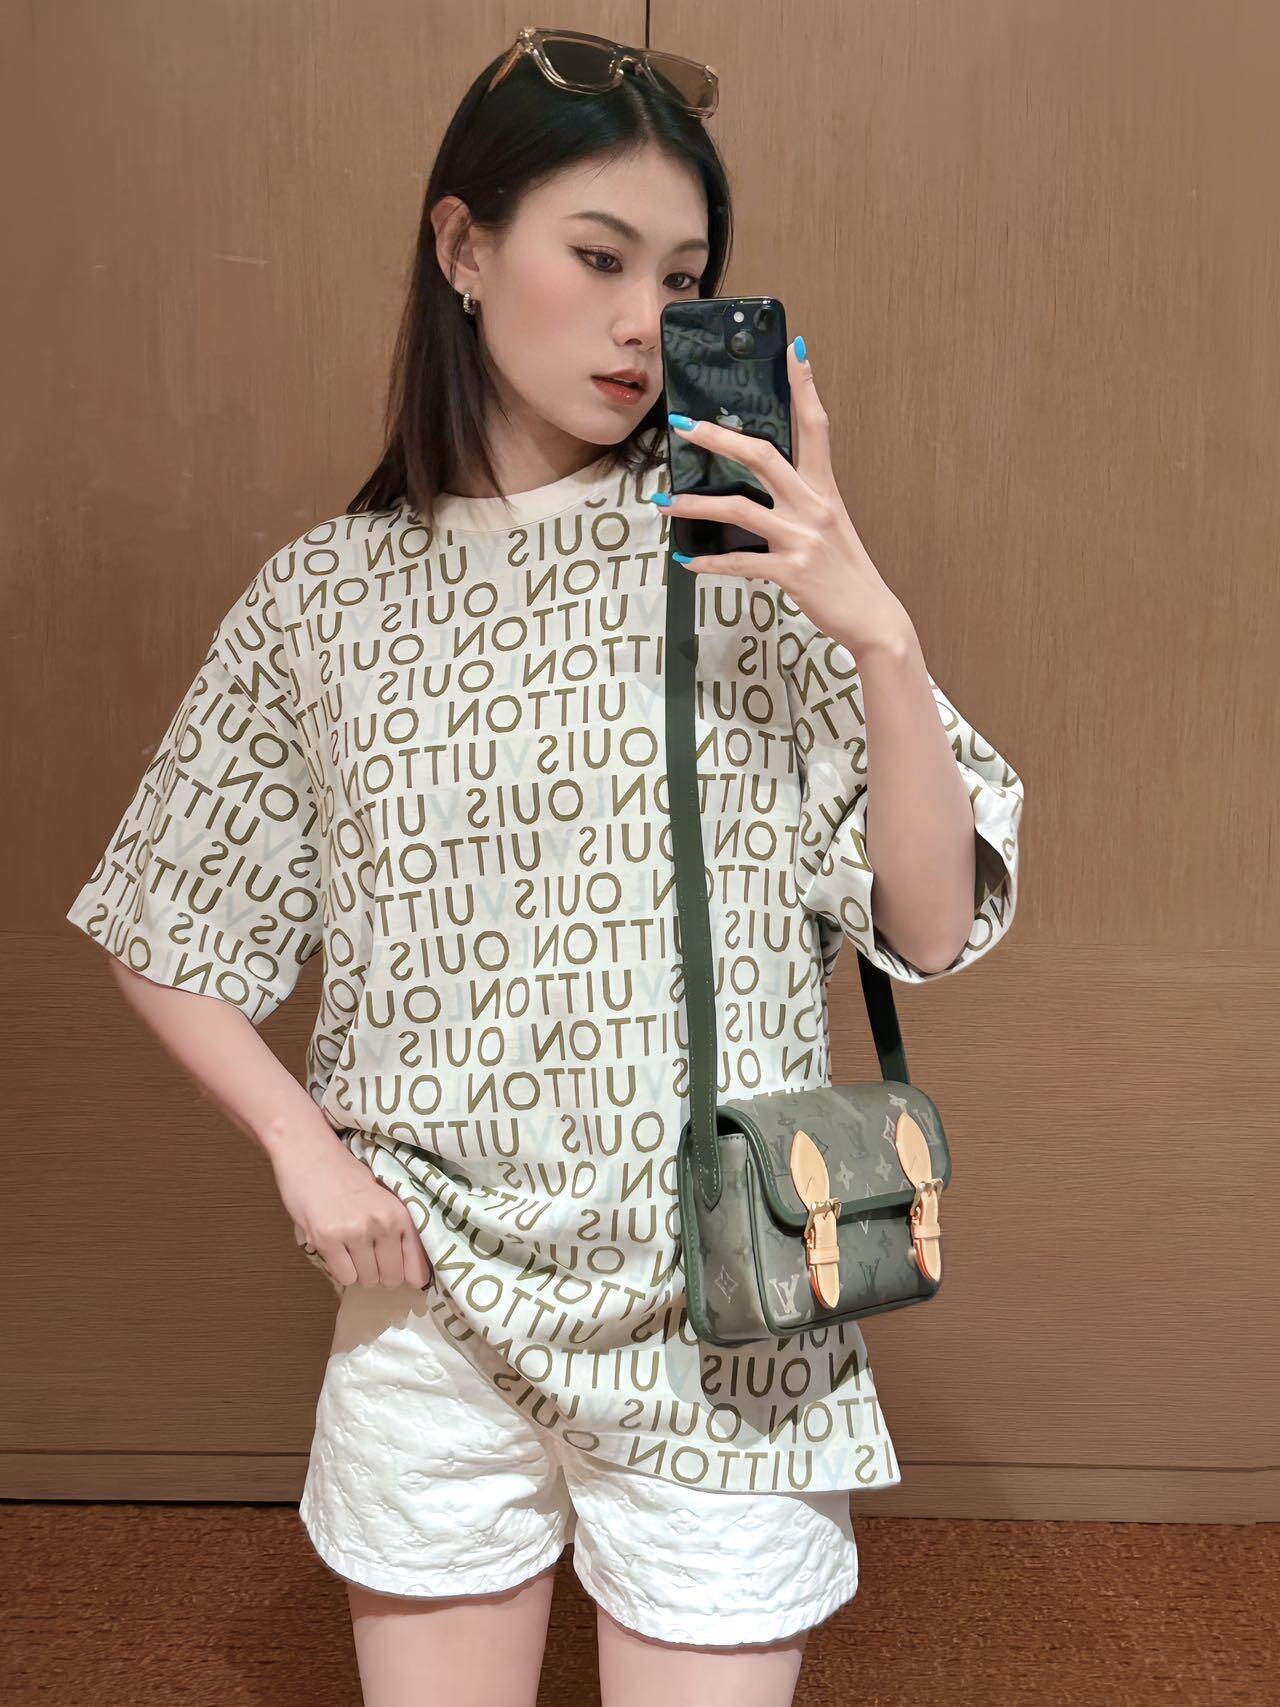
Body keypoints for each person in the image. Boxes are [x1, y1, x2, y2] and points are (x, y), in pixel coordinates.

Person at [66, 26, 1025, 1707]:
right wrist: (303, 1152)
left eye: (684, 275)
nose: (645, 318)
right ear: (463, 247)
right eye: (598, 257)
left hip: (725, 1304)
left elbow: (931, 929)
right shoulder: (323, 603)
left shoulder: (751, 568)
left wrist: (880, 637)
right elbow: (167, 913)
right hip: (431, 1311)